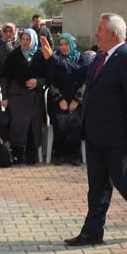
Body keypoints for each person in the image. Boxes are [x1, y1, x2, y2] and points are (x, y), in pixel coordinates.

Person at [39, 13, 127, 246]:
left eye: (100, 29)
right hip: (94, 132)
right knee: (97, 186)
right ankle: (92, 232)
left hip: (118, 135)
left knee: (124, 182)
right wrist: (51, 58)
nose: (97, 33)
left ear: (113, 34)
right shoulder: (99, 58)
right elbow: (76, 73)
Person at [0, 29, 48, 165]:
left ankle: (32, 156)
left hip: (34, 97)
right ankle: (17, 156)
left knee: (33, 126)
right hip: (17, 97)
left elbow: (49, 76)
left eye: (28, 39)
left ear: (33, 40)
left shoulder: (40, 55)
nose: (25, 42)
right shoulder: (14, 56)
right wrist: (4, 97)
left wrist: (38, 82)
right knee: (18, 127)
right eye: (23, 39)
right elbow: (5, 78)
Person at [47, 33, 85, 166]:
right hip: (58, 100)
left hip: (76, 100)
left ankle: (74, 154)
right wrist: (60, 99)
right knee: (59, 123)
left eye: (66, 44)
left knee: (76, 124)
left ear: (72, 44)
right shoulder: (55, 59)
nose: (64, 47)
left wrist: (76, 100)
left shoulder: (80, 58)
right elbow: (51, 82)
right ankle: (59, 154)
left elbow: (84, 81)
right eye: (61, 44)